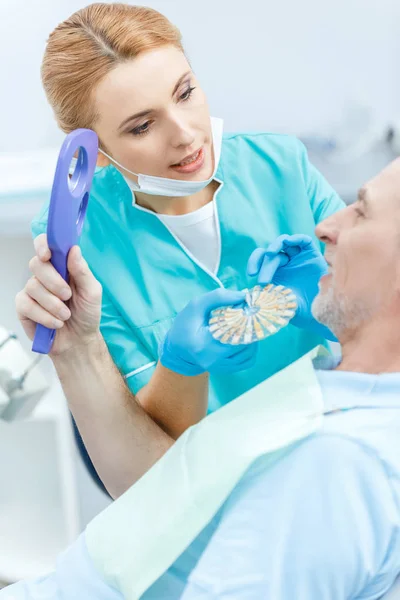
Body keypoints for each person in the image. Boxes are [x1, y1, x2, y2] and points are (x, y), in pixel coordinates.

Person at [8, 159, 400, 599]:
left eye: (361, 212)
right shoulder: (348, 389)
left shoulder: (340, 466)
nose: (326, 226)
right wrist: (339, 313)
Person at [17, 2, 344, 485]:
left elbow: (381, 343)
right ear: (95, 152)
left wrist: (335, 309)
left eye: (186, 93)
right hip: (214, 488)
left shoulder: (282, 166)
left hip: (329, 450)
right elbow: (148, 450)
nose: (187, 134)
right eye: (142, 126)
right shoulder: (80, 245)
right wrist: (180, 367)